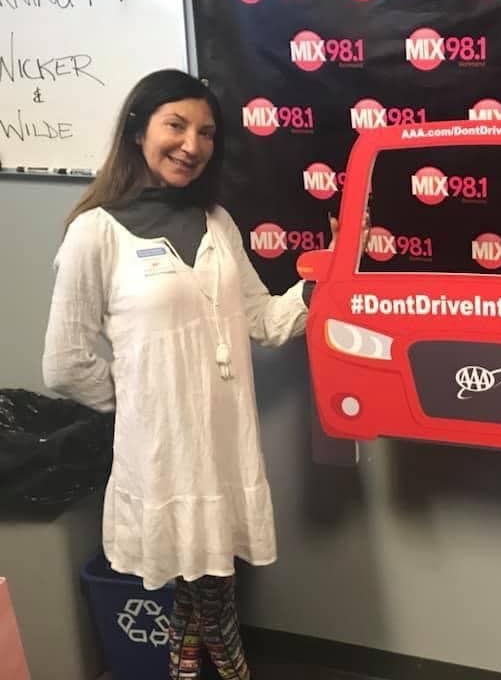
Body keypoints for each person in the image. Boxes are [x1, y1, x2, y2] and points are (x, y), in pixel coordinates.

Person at [42, 69, 314, 680]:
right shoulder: (95, 233)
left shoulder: (218, 223)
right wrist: (141, 403)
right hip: (162, 457)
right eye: (177, 125)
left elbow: (263, 319)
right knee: (207, 592)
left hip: (223, 451)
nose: (193, 144)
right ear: (139, 129)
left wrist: (319, 290)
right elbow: (64, 361)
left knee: (204, 589)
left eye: (207, 132)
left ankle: (189, 670)